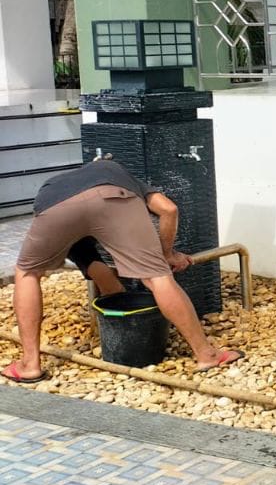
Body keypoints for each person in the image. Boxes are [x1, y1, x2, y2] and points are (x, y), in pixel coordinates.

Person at [4, 159, 242, 383]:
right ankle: (206, 354)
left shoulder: (55, 183)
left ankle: (30, 364)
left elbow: (74, 237)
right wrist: (167, 255)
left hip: (55, 205)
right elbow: (168, 209)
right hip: (114, 198)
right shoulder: (118, 172)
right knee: (157, 276)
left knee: (27, 273)